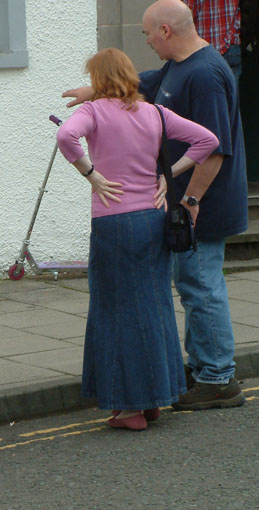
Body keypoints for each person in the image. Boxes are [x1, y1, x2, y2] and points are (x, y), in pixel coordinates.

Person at [64, 0, 248, 411]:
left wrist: (190, 198)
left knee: (201, 286)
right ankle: (203, 367)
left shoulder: (204, 75)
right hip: (178, 199)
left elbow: (214, 149)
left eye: (148, 32)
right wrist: (96, 89)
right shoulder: (178, 67)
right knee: (188, 285)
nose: (146, 41)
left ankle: (218, 377)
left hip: (203, 201)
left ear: (165, 31)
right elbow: (139, 81)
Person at [57, 48, 219, 430]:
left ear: (98, 80)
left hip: (114, 222)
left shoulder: (94, 112)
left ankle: (129, 408)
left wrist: (92, 175)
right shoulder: (155, 113)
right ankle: (154, 399)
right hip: (152, 217)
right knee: (154, 303)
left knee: (116, 310)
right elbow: (207, 141)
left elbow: (66, 136)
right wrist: (167, 174)